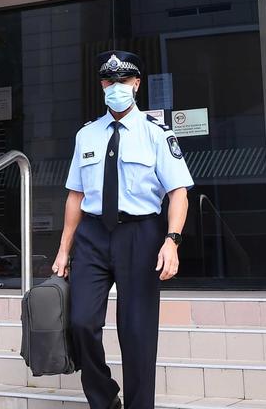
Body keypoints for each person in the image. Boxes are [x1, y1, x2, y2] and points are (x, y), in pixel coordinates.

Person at [51, 50, 193, 409]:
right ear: (102, 85)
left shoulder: (157, 134)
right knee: (82, 323)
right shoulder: (87, 135)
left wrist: (171, 241)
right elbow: (75, 196)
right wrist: (64, 249)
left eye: (124, 81)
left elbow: (178, 193)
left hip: (141, 234)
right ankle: (104, 398)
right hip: (93, 235)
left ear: (137, 85)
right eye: (110, 81)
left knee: (137, 332)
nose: (117, 87)